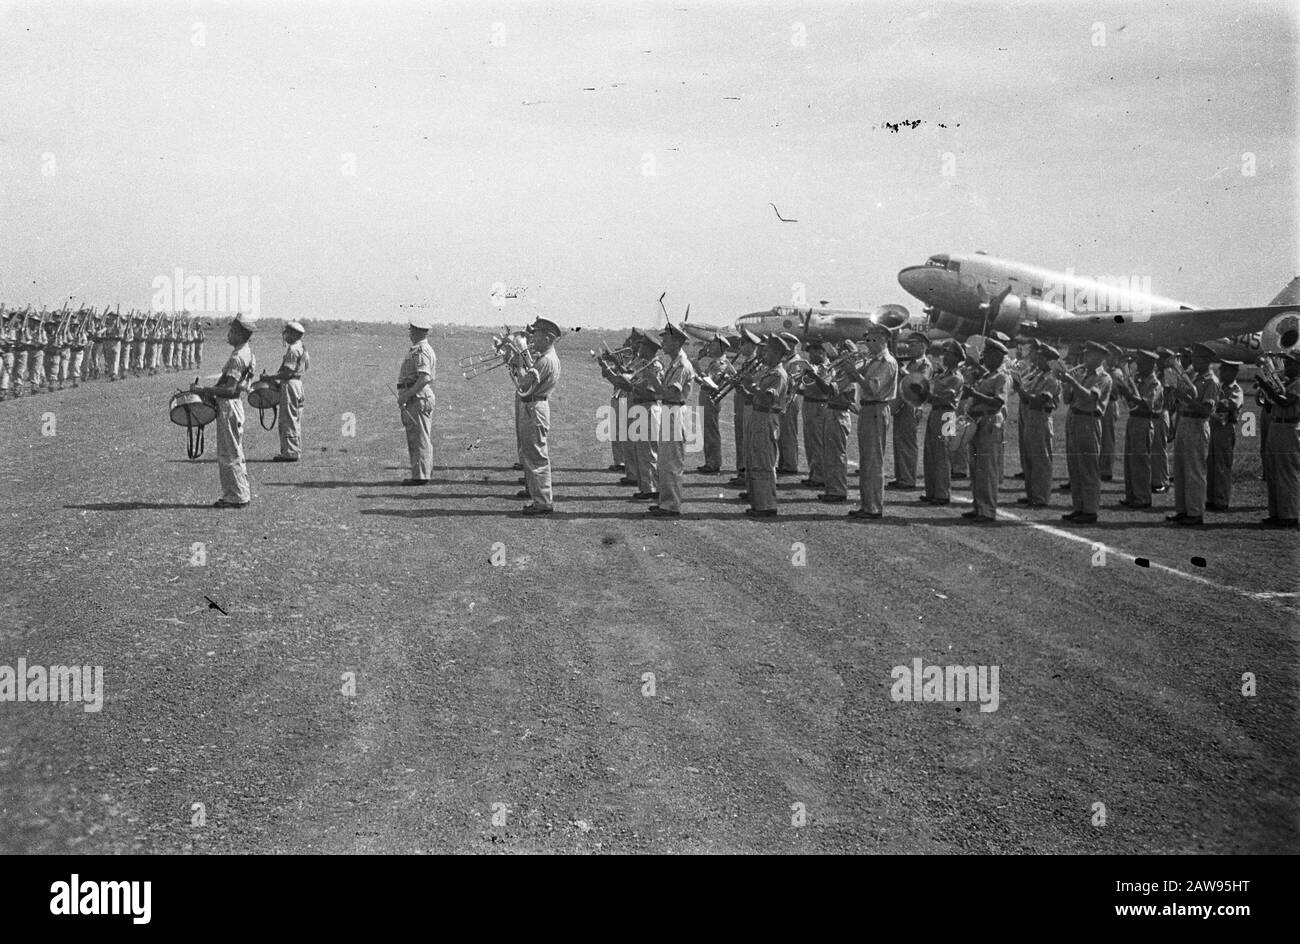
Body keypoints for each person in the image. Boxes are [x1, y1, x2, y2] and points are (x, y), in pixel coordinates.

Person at [191, 313, 258, 508]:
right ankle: (239, 492)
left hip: (229, 406)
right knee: (234, 451)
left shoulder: (238, 357)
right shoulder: (247, 352)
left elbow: (229, 390)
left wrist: (203, 390)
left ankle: (235, 496)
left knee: (229, 453)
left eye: (231, 331)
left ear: (239, 333)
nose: (228, 334)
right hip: (234, 406)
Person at [843, 323, 898, 519]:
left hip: (876, 408)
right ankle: (867, 504)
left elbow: (873, 388)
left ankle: (873, 507)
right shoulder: (873, 360)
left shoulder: (886, 362)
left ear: (883, 338)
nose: (868, 342)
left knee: (873, 460)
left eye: (872, 338)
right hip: (868, 409)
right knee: (867, 460)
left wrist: (855, 374)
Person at [1166, 344, 1219, 526]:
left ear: (1206, 360)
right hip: (1184, 422)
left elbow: (1206, 410)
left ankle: (1195, 513)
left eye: (1197, 358)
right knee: (1180, 470)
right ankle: (1182, 510)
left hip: (1197, 424)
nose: (1193, 361)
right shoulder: (1194, 377)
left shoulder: (1211, 381)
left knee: (1194, 470)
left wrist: (1185, 397)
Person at [1060, 340, 1112, 524]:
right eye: (1085, 353)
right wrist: (1066, 382)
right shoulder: (1082, 375)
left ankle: (1090, 510)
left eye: (1089, 354)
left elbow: (1090, 397)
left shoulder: (1103, 377)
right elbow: (1067, 399)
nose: (1085, 357)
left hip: (1088, 421)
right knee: (1075, 465)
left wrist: (1071, 381)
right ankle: (1079, 507)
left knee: (1088, 467)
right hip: (1074, 418)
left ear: (1100, 357)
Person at [515, 317, 562, 514]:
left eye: (537, 334)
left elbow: (524, 383)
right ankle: (538, 497)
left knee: (536, 456)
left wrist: (518, 364)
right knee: (531, 453)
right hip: (534, 406)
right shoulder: (546, 358)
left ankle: (542, 502)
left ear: (548, 338)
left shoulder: (545, 360)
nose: (533, 337)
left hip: (535, 407)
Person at [740, 335, 790, 517]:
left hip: (767, 417)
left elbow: (768, 398)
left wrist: (751, 386)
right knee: (754, 459)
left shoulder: (778, 374)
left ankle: (767, 505)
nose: (764, 354)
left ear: (777, 353)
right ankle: (758, 503)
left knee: (764, 461)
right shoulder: (769, 372)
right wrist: (742, 389)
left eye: (767, 351)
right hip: (758, 415)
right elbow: (756, 396)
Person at [650, 322, 697, 516]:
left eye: (666, 339)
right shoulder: (675, 363)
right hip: (670, 411)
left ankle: (671, 505)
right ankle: (665, 501)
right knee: (665, 460)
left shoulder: (682, 365)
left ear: (677, 342)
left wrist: (652, 379)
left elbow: (669, 393)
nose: (662, 343)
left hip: (675, 411)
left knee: (672, 462)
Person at [961, 337, 1011, 521]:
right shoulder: (987, 375)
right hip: (977, 421)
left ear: (997, 357)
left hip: (990, 421)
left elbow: (999, 402)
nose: (985, 359)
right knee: (976, 468)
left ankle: (987, 510)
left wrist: (974, 394)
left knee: (987, 468)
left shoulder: (1002, 377)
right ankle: (978, 506)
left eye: (988, 356)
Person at [1014, 343, 1062, 507]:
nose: (1038, 361)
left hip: (1041, 416)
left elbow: (1039, 399)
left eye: (1042, 359)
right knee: (1029, 456)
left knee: (1040, 458)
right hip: (1031, 415)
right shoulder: (1039, 376)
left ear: (1050, 361)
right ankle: (1032, 493)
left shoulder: (1051, 379)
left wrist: (1020, 390)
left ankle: (1040, 496)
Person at [1117, 349, 1162, 509]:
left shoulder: (1155, 383)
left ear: (1151, 364)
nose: (1139, 366)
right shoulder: (1139, 380)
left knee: (1140, 461)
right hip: (1133, 419)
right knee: (1130, 461)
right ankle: (1132, 495)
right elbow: (1132, 403)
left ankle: (1143, 497)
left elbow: (1147, 404)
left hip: (1144, 421)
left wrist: (1128, 393)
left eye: (1142, 362)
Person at [622, 331, 664, 501]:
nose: (639, 347)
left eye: (643, 345)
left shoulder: (655, 366)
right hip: (640, 407)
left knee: (648, 451)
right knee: (641, 449)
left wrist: (632, 387)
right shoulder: (643, 363)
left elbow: (653, 391)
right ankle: (645, 486)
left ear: (649, 348)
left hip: (648, 407)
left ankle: (652, 487)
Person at [1261, 350, 1300, 528]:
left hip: (1289, 427)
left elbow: (1286, 401)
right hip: (1276, 425)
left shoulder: (1298, 383)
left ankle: (1289, 515)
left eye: (1291, 363)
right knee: (1273, 471)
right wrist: (1266, 390)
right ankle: (1276, 513)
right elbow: (1270, 405)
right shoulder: (1286, 382)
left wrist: (1268, 386)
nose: (1286, 366)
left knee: (1287, 471)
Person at [888, 331, 932, 491]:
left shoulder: (925, 364)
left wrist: (903, 371)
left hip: (912, 405)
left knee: (907, 442)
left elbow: (920, 383)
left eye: (913, 345)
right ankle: (901, 476)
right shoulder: (913, 363)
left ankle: (907, 478)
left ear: (922, 346)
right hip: (903, 403)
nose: (910, 348)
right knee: (899, 441)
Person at [816, 340, 857, 504]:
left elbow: (831, 390)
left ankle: (838, 490)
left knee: (836, 454)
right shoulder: (840, 371)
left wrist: (813, 376)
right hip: (832, 411)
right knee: (830, 453)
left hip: (839, 413)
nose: (839, 353)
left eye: (843, 351)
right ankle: (832, 488)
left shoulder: (847, 373)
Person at [396, 319, 436, 484]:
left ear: (418, 332)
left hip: (418, 397)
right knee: (419, 436)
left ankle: (420, 477)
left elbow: (425, 377)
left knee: (419, 438)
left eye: (412, 330)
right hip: (417, 396)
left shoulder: (421, 350)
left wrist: (407, 395)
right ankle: (423, 473)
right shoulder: (419, 349)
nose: (410, 333)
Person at [267, 321, 310, 462]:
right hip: (298, 384)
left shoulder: (293, 350)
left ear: (294, 334)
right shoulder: (302, 348)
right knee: (295, 419)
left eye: (287, 332)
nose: (285, 335)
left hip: (290, 384)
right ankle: (293, 449)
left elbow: (287, 372)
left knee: (288, 419)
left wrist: (271, 377)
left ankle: (290, 452)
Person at [1205, 358, 1243, 511]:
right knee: (1211, 464)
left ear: (1233, 372)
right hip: (1213, 427)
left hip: (1225, 429)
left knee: (1222, 465)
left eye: (1224, 370)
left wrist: (1212, 400)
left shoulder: (1236, 390)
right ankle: (1212, 497)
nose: (1221, 373)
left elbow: (1230, 404)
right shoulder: (1219, 387)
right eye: (1220, 370)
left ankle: (1221, 499)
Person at [727, 329, 760, 489]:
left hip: (749, 401)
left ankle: (746, 472)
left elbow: (753, 383)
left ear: (752, 346)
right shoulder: (748, 362)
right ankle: (742, 471)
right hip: (741, 400)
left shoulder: (755, 363)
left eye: (743, 344)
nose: (740, 347)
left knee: (746, 438)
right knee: (740, 436)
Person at [694, 334, 728, 475]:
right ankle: (710, 461)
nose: (709, 347)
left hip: (711, 400)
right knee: (707, 432)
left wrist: (697, 367)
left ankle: (714, 463)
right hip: (706, 399)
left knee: (711, 432)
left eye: (713, 344)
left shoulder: (720, 364)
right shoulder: (714, 363)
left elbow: (711, 383)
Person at [798, 341, 829, 490]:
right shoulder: (812, 367)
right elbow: (806, 387)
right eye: (811, 352)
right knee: (809, 441)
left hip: (819, 404)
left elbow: (823, 389)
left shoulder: (826, 368)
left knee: (818, 441)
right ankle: (813, 472)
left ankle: (820, 475)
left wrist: (812, 376)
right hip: (808, 403)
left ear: (824, 352)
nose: (813, 354)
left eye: (817, 351)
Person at [1151, 347, 1176, 493]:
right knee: (1155, 448)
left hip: (1162, 413)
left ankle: (1163, 480)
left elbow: (1169, 399)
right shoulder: (1159, 373)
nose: (1160, 361)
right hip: (1157, 414)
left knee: (1160, 449)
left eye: (1163, 358)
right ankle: (1156, 479)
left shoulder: (1169, 374)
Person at [776, 332, 803, 475]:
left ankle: (790, 464)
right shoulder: (787, 360)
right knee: (782, 433)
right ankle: (784, 462)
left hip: (790, 400)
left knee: (789, 433)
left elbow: (794, 382)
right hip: (783, 399)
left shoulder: (795, 362)